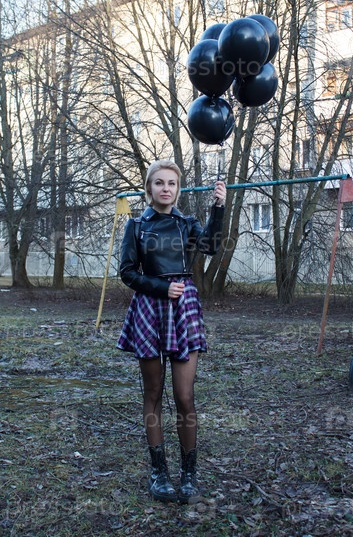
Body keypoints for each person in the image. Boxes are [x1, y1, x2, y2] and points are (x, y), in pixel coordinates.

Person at [117, 159, 226, 504]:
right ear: (149, 188)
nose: (166, 188)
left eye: (172, 183)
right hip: (150, 306)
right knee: (153, 393)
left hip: (183, 309)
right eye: (159, 183)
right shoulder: (136, 226)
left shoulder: (187, 223)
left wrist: (218, 208)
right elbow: (127, 272)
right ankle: (159, 472)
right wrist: (162, 288)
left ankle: (189, 473)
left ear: (178, 189)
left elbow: (210, 246)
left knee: (184, 396)